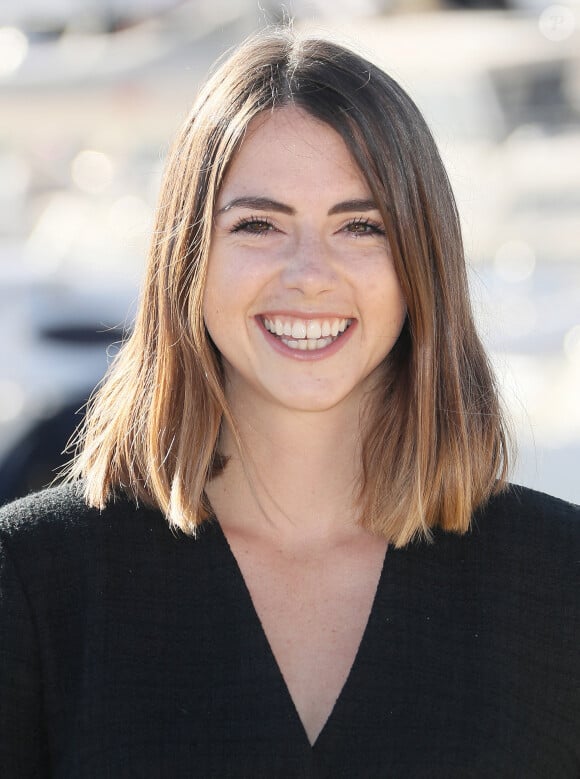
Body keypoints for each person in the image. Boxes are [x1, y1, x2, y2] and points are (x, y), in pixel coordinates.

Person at [1, 27, 578, 778]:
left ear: (422, 264)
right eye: (259, 224)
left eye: (361, 225)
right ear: (187, 260)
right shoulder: (35, 581)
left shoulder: (559, 580)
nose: (310, 272)